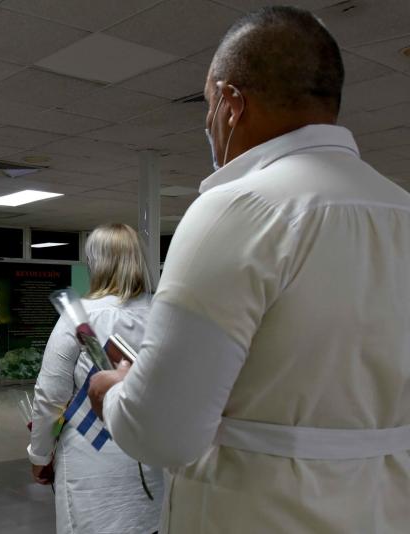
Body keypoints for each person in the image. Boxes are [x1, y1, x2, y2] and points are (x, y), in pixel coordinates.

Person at [88, 6, 410, 533]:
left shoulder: (238, 209)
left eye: (209, 111)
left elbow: (162, 433)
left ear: (232, 104)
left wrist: (114, 391)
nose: (211, 130)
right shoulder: (401, 210)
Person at [29, 223, 163, 534]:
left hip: (91, 466)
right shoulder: (163, 315)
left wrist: (39, 453)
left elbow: (50, 396)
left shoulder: (79, 317)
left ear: (96, 263)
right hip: (153, 460)